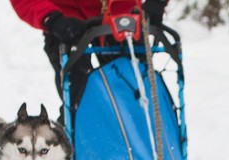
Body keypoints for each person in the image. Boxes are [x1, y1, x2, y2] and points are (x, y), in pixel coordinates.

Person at [10, 0, 169, 119]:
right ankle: (75, 145)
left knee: (133, 91)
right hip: (63, 17)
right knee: (78, 98)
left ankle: (146, 150)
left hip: (120, 12)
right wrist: (50, 18)